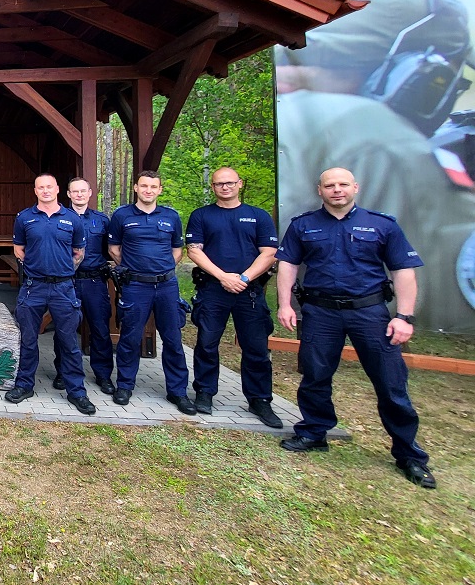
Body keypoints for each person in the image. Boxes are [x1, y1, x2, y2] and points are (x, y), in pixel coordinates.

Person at [276, 0, 475, 332]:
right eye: (439, 81)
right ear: (412, 76)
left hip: (344, 313)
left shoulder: (338, 127)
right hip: (363, 316)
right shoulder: (372, 134)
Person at [275, 167, 435, 488]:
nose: (337, 190)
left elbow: (403, 270)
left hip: (370, 313)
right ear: (319, 190)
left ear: (355, 188)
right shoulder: (303, 225)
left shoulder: (382, 225)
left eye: (343, 184)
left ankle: (409, 455)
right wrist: (284, 304)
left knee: (391, 382)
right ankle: (314, 432)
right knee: (315, 375)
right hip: (320, 312)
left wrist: (404, 317)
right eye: (330, 185)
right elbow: (288, 265)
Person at [185, 167, 282, 427]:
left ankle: (260, 399)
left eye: (229, 183)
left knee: (256, 347)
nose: (224, 187)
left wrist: (243, 278)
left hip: (248, 291)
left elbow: (269, 252)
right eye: (219, 184)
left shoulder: (257, 216)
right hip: (213, 289)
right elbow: (194, 251)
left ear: (240, 184)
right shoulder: (202, 216)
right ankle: (204, 393)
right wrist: (223, 277)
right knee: (206, 343)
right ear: (213, 187)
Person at [4, 174, 95, 414]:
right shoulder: (24, 218)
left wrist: (62, 272)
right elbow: (19, 250)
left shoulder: (72, 219)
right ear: (35, 191)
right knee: (28, 339)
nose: (45, 190)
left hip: (64, 289)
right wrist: (39, 269)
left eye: (49, 187)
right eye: (41, 187)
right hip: (34, 287)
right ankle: (24, 385)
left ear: (57, 189)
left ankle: (77, 392)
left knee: (68, 342)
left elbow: (79, 252)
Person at [107, 170, 195, 414]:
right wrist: (137, 268)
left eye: (153, 187)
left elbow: (178, 251)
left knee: (173, 339)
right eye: (144, 186)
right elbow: (114, 249)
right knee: (129, 338)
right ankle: (124, 386)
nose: (148, 190)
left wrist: (161, 270)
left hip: (166, 286)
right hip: (135, 286)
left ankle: (178, 392)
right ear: (136, 188)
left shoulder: (171, 216)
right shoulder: (122, 215)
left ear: (160, 190)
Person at [63, 177, 114, 395]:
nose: (79, 195)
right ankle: (62, 372)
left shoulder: (102, 221)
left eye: (83, 191)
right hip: (68, 282)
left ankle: (103, 375)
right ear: (68, 194)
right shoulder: (60, 218)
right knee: (64, 331)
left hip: (94, 281)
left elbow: (110, 251)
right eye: (75, 191)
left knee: (100, 329)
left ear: (90, 193)